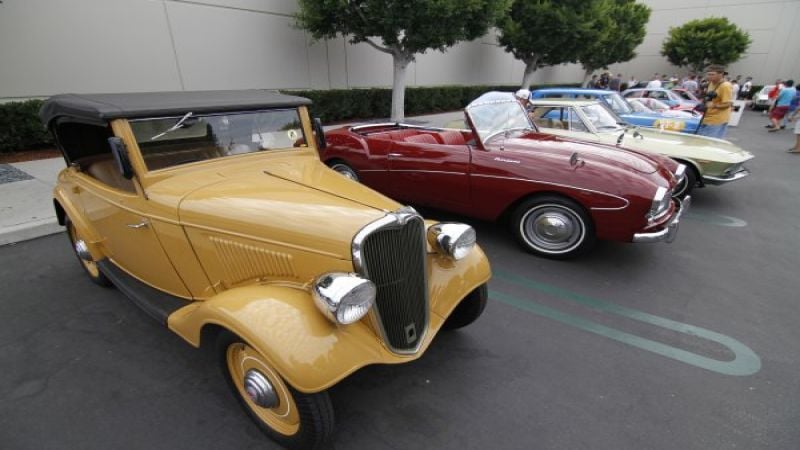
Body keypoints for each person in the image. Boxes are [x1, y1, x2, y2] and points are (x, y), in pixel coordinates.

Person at [696, 64, 734, 139]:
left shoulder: (725, 86)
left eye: (712, 74)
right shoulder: (711, 83)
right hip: (707, 118)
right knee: (700, 141)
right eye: (708, 74)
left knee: (710, 143)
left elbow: (728, 104)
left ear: (721, 74)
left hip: (717, 121)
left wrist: (714, 105)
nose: (709, 76)